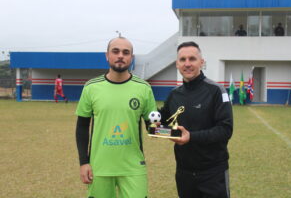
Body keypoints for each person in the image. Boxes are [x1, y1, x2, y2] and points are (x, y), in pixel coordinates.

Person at [75, 37, 157, 198]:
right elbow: (82, 127)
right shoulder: (91, 87)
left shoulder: (144, 88)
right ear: (107, 55)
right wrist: (84, 162)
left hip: (133, 167)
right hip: (99, 167)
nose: (121, 55)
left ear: (131, 58)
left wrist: (175, 132)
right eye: (116, 51)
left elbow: (152, 127)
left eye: (126, 52)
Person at [159, 41, 233, 198]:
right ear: (177, 64)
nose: (187, 64)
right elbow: (162, 123)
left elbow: (225, 130)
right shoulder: (174, 95)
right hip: (184, 173)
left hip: (213, 172)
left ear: (201, 62)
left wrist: (191, 137)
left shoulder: (216, 91)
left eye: (192, 59)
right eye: (182, 60)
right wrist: (153, 124)